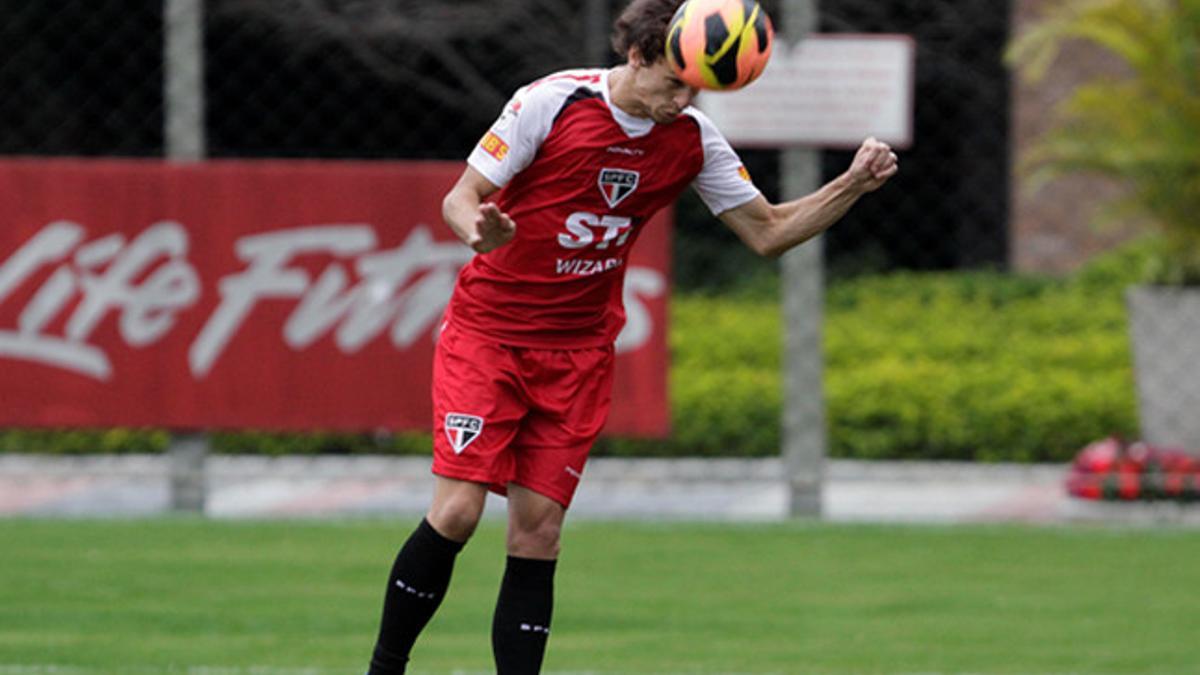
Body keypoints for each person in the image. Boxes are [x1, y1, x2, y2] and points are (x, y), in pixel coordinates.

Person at [367, 0, 898, 672]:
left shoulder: (693, 140)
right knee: (458, 513)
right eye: (673, 82)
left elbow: (767, 232)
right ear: (639, 55)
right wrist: (480, 230)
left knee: (539, 534)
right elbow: (461, 197)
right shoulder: (552, 103)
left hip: (579, 354)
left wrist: (850, 185)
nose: (683, 99)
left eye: (697, 88)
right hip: (490, 336)